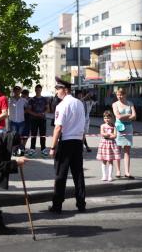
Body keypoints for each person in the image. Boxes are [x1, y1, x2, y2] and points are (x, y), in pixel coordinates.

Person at [48, 77, 86, 214]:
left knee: (60, 175)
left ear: (65, 90)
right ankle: (81, 204)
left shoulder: (62, 105)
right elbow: (83, 124)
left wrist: (52, 147)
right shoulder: (80, 103)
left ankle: (57, 205)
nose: (57, 92)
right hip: (77, 142)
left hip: (65, 142)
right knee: (78, 174)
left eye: (58, 89)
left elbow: (58, 128)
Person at [112, 88, 136, 179]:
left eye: (121, 95)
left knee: (127, 151)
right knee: (117, 150)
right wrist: (129, 115)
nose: (119, 97)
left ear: (125, 95)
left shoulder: (130, 103)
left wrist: (126, 117)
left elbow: (135, 116)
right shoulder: (115, 104)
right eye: (118, 95)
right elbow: (118, 116)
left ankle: (127, 172)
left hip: (129, 128)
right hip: (119, 129)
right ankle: (118, 171)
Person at [96, 110, 121, 182]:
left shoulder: (114, 126)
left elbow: (115, 136)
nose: (107, 119)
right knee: (104, 160)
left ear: (112, 118)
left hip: (111, 145)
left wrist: (109, 135)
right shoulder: (102, 126)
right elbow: (102, 133)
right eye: (105, 118)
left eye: (108, 118)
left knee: (110, 160)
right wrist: (109, 135)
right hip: (104, 144)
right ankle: (104, 175)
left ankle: (110, 176)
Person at [27, 84, 49, 157]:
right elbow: (28, 110)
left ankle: (43, 149)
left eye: (39, 90)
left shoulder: (44, 99)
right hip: (34, 119)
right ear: (35, 90)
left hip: (42, 119)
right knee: (33, 135)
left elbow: (48, 109)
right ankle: (32, 149)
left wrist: (43, 113)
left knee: (43, 135)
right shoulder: (31, 99)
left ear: (41, 90)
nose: (38, 91)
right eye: (37, 90)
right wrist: (36, 114)